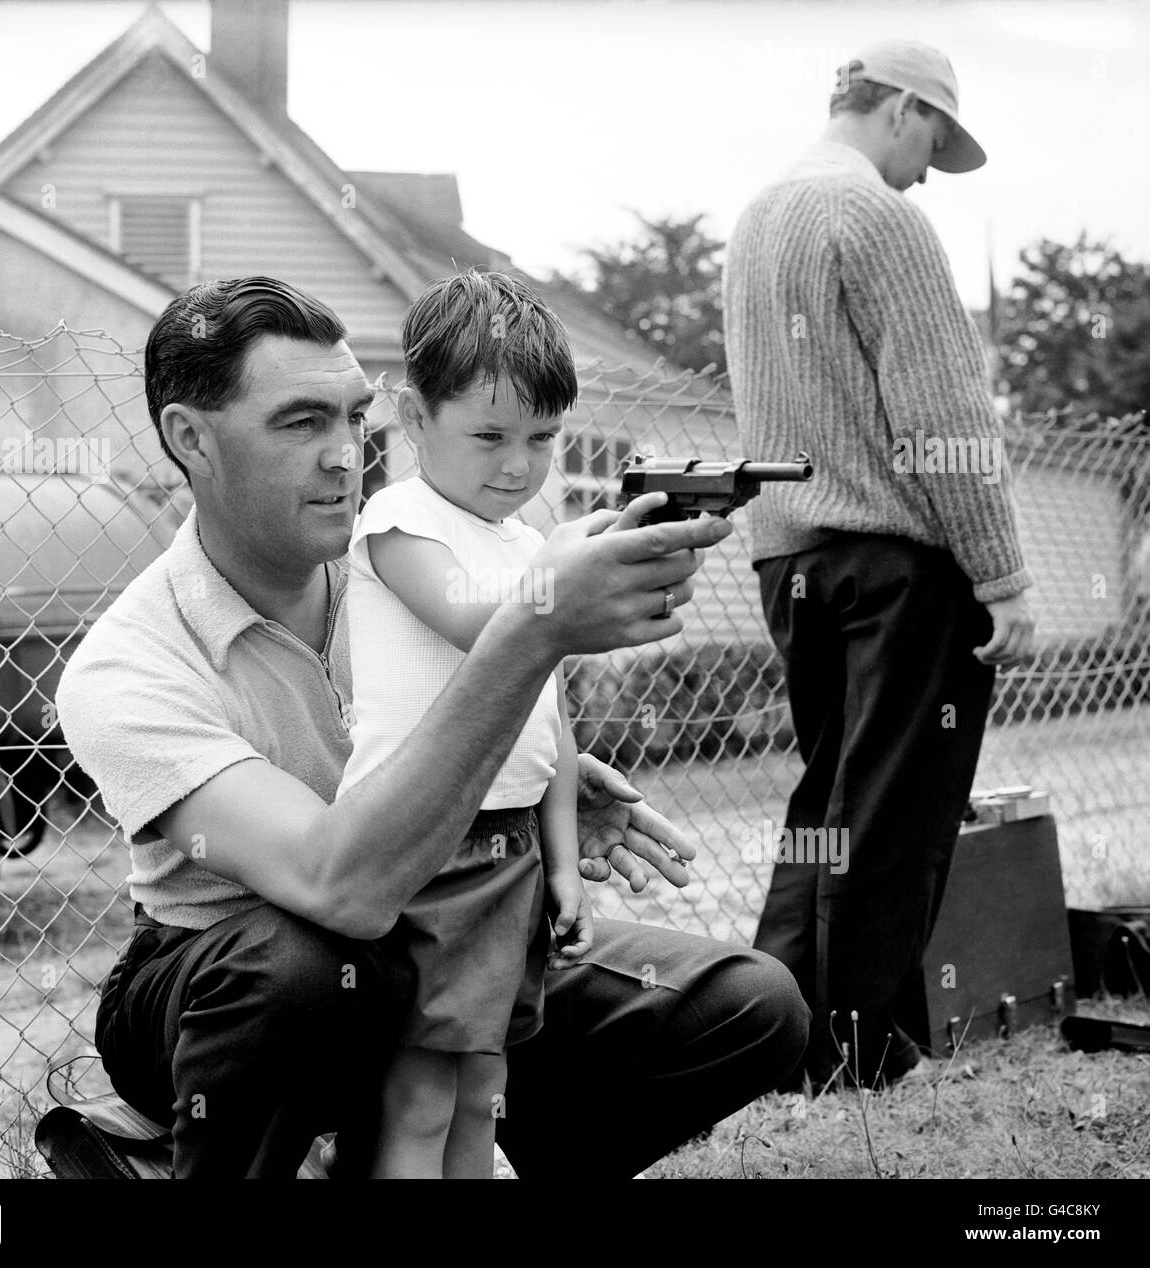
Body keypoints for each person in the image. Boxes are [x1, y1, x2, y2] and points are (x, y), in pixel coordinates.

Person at [56, 274, 809, 1179]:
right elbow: (335, 887)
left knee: (751, 1005)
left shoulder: (427, 563)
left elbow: (485, 727)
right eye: (301, 423)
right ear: (191, 438)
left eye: (353, 418)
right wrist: (532, 634)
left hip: (448, 913)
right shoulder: (127, 665)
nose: (345, 454)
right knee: (298, 964)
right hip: (230, 979)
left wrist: (528, 799)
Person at [722, 40, 1036, 1090]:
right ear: (901, 107)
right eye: (932, 143)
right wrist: (1001, 574)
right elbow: (943, 413)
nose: (926, 172)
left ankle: (766, 1035)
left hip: (791, 559)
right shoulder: (878, 217)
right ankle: (854, 1057)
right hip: (896, 563)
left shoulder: (757, 216)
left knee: (825, 808)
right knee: (892, 818)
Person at [338, 271, 594, 1177]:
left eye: (542, 438)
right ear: (412, 417)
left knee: (484, 1079)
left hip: (510, 851)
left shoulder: (532, 547)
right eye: (488, 435)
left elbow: (551, 728)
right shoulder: (398, 522)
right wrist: (577, 586)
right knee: (419, 1091)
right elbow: (473, 621)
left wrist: (562, 864)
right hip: (424, 849)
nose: (519, 465)